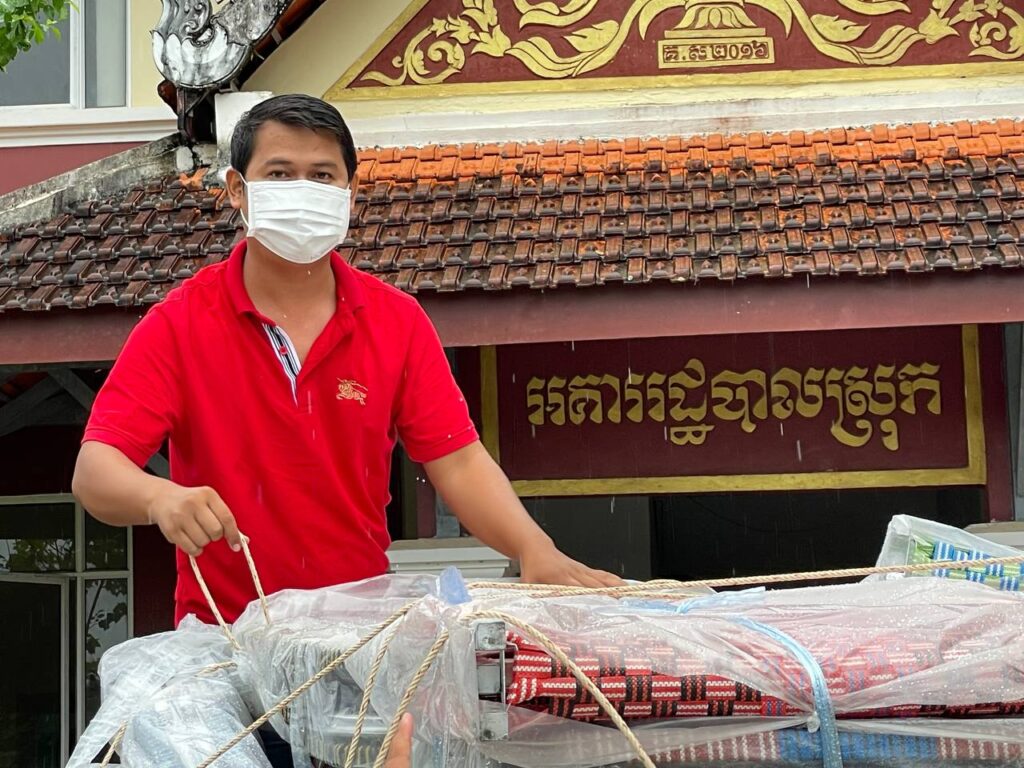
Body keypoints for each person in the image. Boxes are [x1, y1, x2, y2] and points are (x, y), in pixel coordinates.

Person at [72, 93, 620, 767]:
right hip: (226, 650)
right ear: (237, 191)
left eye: (322, 175)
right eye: (280, 174)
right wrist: (158, 497)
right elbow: (96, 471)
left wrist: (535, 550)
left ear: (349, 194)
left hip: (357, 648)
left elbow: (457, 460)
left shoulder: (395, 322)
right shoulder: (179, 324)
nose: (302, 190)